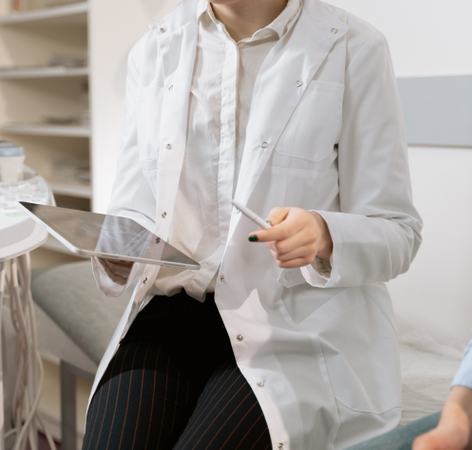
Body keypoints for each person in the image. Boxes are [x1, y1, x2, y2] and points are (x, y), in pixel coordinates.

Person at [83, 0, 422, 448]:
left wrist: (324, 234)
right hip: (173, 312)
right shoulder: (156, 48)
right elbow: (132, 209)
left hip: (289, 325)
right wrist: (119, 253)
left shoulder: (353, 47)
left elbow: (399, 231)